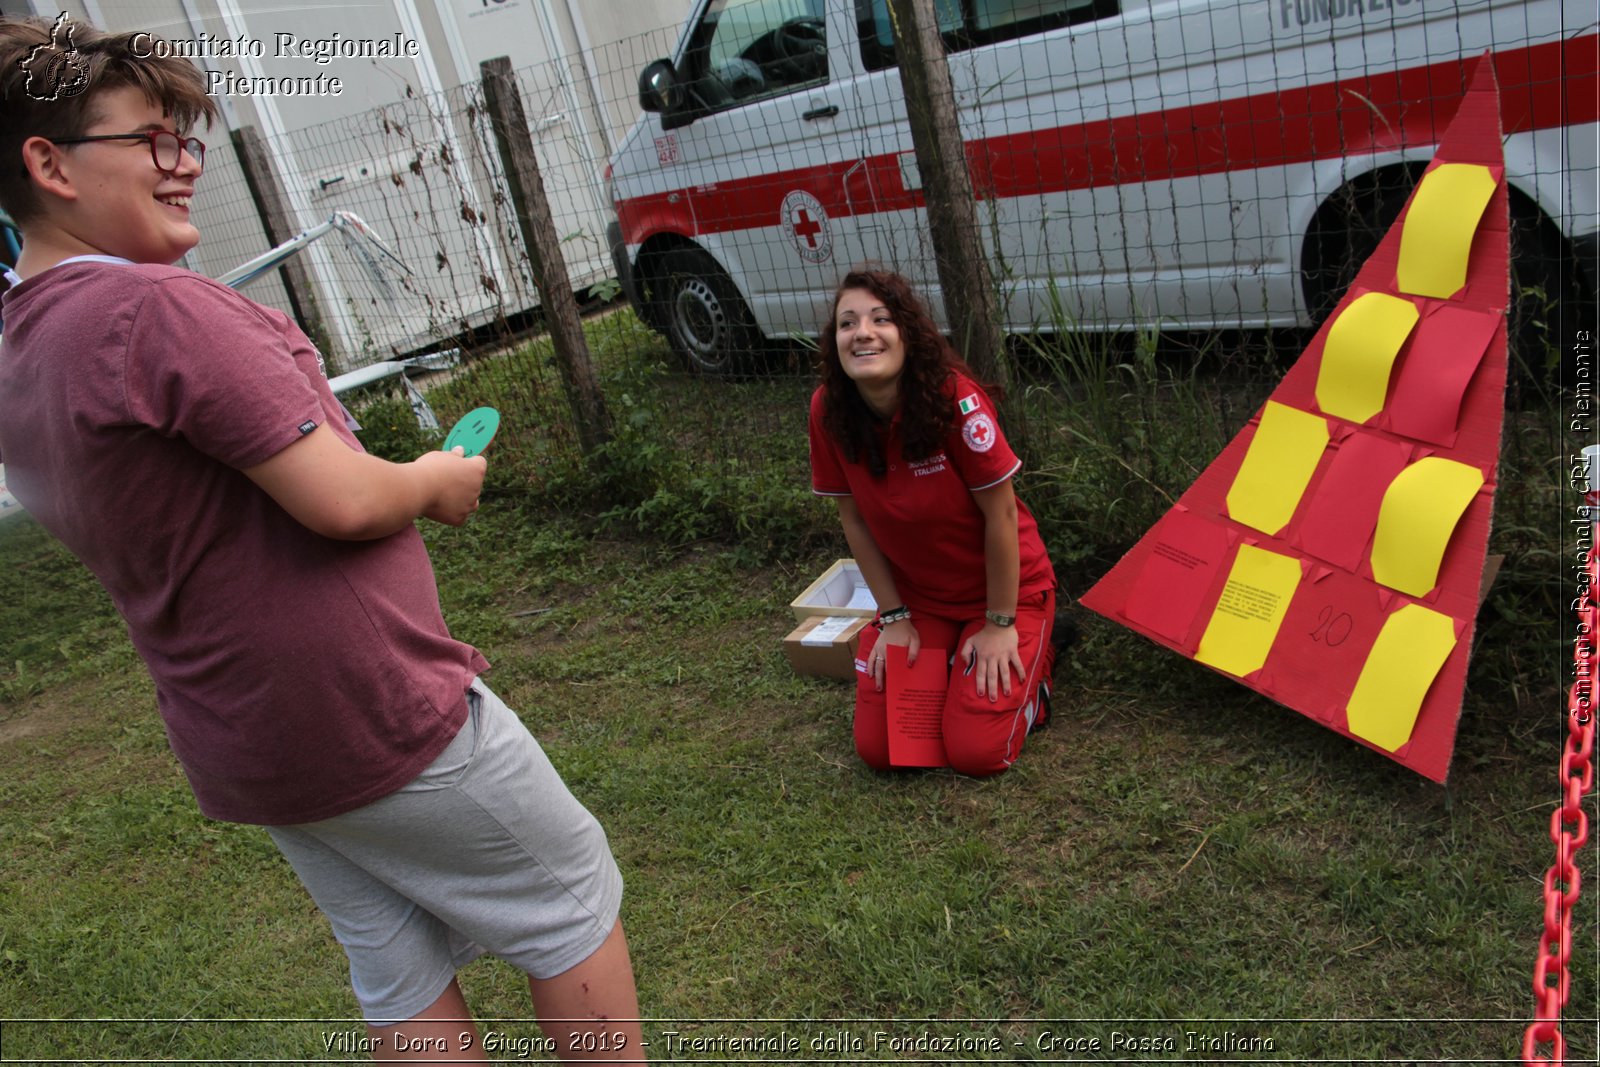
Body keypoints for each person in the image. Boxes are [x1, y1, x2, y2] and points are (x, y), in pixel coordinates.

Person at [0, 17, 641, 1062]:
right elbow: (342, 499)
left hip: (248, 735)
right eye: (151, 140)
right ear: (48, 164)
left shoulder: (22, 347)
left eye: (186, 142)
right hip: (365, 708)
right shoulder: (156, 312)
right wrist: (436, 479)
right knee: (570, 895)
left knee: (399, 967)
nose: (181, 168)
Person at [808, 268, 1059, 776]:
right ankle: (951, 668)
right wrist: (894, 618)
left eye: (881, 319)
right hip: (920, 602)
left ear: (908, 333)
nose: (863, 333)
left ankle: (1040, 661)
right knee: (884, 751)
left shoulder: (955, 401)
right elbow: (853, 521)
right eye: (847, 323)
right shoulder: (828, 410)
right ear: (834, 341)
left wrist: (999, 623)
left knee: (976, 753)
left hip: (1004, 595)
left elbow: (1003, 513)